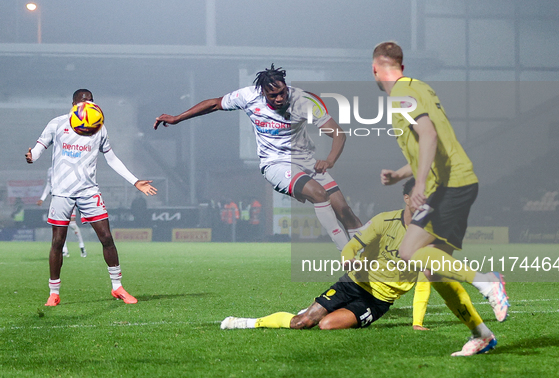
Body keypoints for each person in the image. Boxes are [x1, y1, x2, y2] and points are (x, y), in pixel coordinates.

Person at [221, 178, 498, 356]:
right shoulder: (384, 221)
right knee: (302, 322)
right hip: (352, 282)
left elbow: (428, 281)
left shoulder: (431, 234)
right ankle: (246, 322)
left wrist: (416, 323)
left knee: (327, 326)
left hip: (378, 300)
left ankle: (484, 295)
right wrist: (349, 255)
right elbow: (355, 243)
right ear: (405, 198)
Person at [154, 64, 363, 250]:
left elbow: (338, 133)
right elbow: (214, 104)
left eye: (282, 92)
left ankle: (368, 257)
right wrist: (177, 118)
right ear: (262, 92)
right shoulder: (248, 96)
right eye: (273, 95)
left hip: (305, 161)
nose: (280, 98)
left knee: (345, 212)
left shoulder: (303, 101)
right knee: (318, 194)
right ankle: (346, 252)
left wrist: (330, 160)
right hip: (274, 164)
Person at [372, 41, 509, 322]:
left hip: (449, 185)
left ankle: (487, 281)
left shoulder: (400, 95)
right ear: (402, 66)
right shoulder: (420, 87)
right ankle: (481, 335)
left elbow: (429, 135)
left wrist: (419, 184)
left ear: (375, 69)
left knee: (408, 251)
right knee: (433, 269)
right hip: (457, 181)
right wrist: (400, 174)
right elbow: (430, 146)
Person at [26, 88, 157, 307]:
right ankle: (54, 292)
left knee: (106, 238)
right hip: (62, 192)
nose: (88, 105)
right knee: (57, 242)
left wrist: (135, 181)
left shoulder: (98, 128)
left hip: (89, 192)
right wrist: (32, 156)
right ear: (74, 104)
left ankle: (118, 287)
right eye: (83, 101)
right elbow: (39, 147)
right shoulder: (57, 123)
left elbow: (112, 159)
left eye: (91, 101)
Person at [38, 167, 86, 258]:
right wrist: (42, 198)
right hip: (57, 200)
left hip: (69, 199)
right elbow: (49, 184)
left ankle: (82, 246)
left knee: (72, 224)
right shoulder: (51, 170)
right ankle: (64, 250)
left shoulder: (68, 167)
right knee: (60, 226)